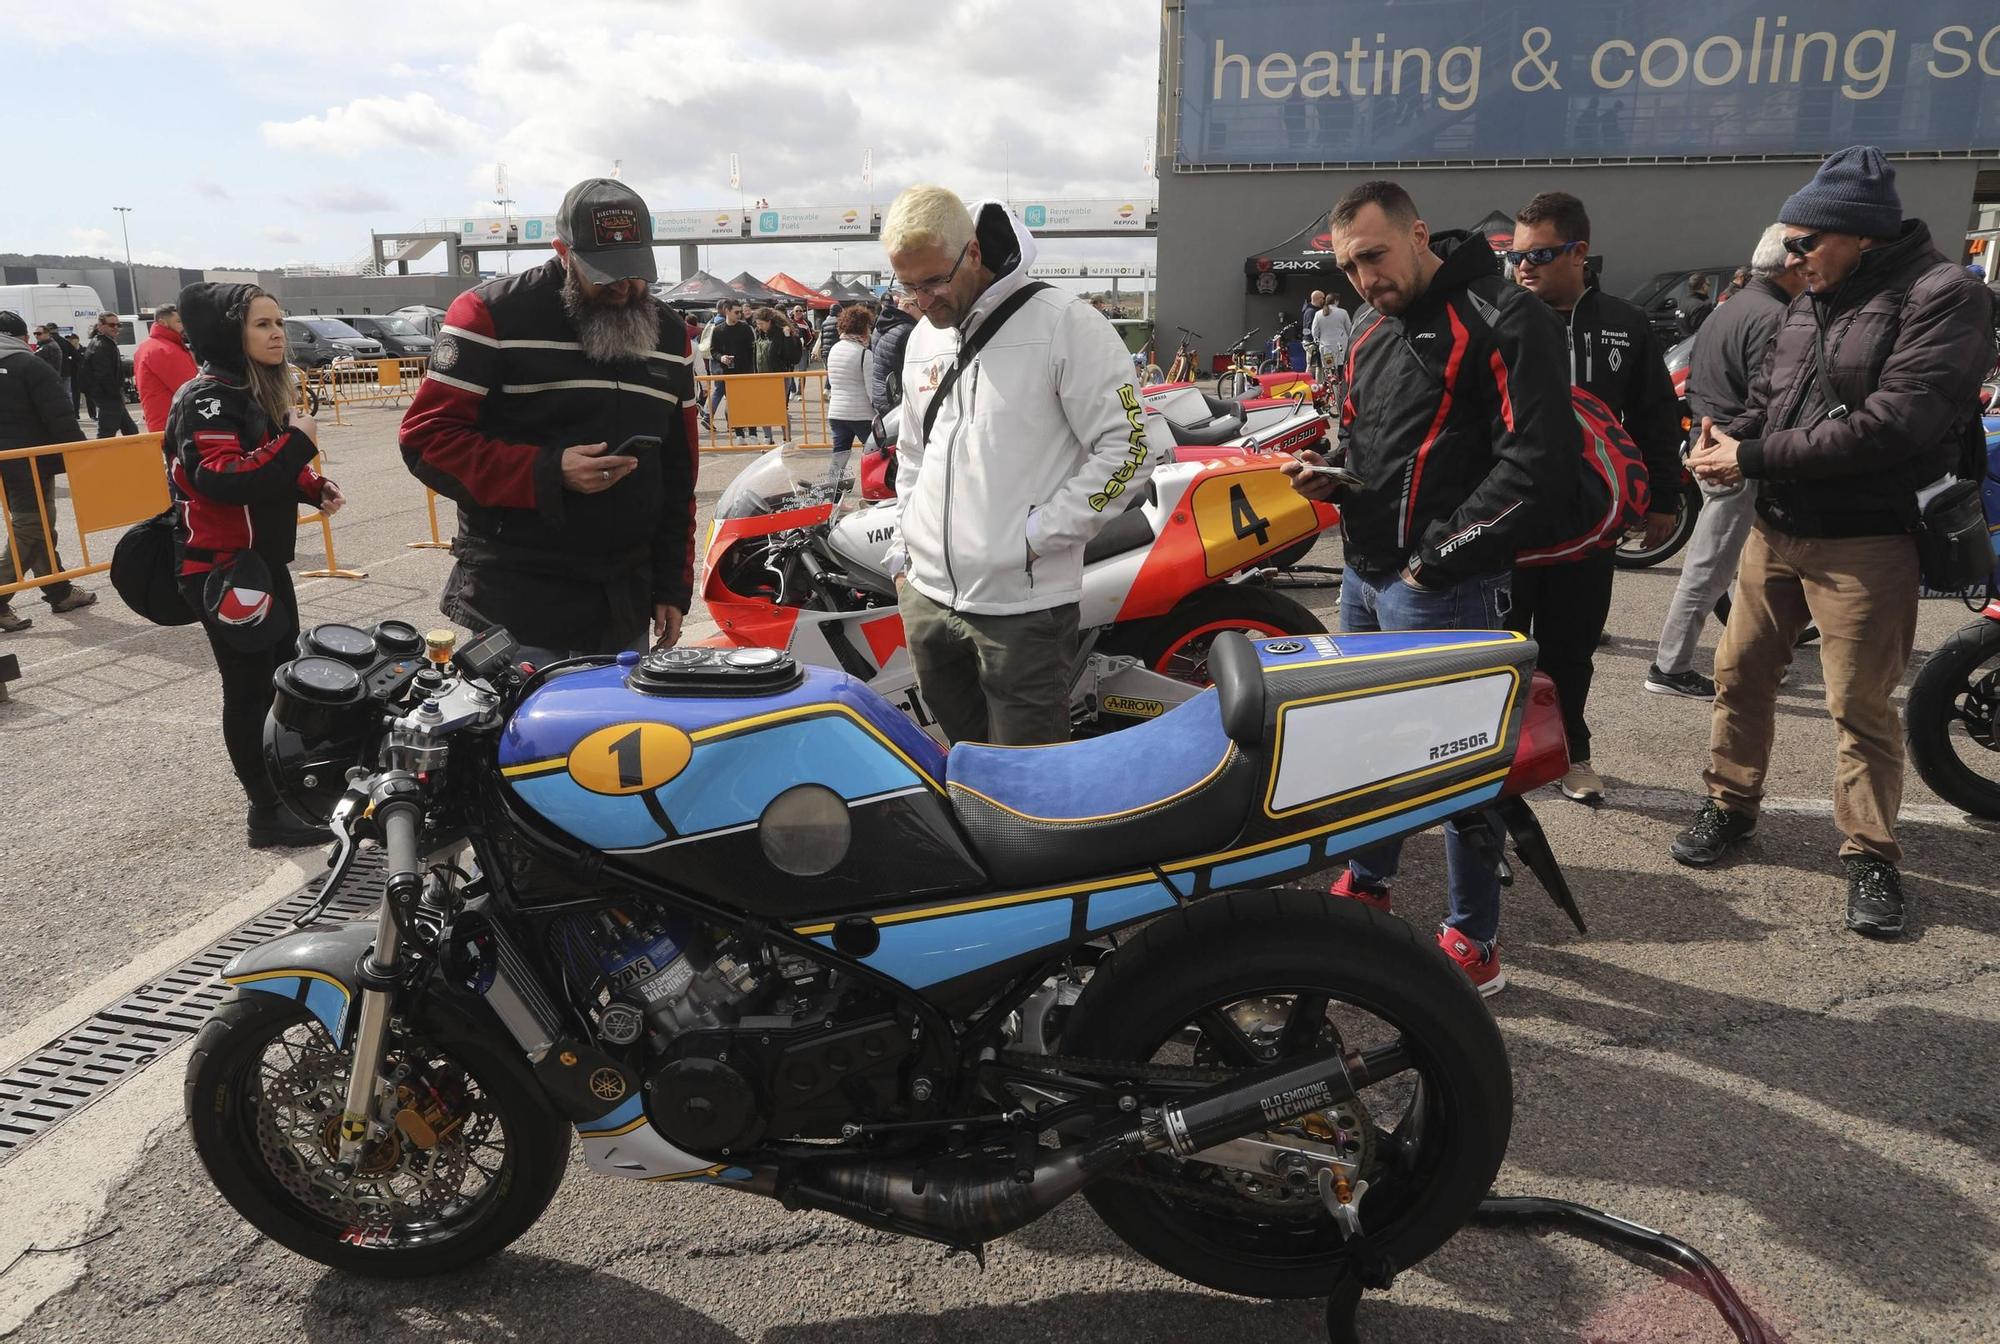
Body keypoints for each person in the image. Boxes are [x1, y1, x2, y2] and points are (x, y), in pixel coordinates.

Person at [1674, 146, 1996, 938]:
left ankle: (1870, 855)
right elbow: (1770, 404)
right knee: (1739, 674)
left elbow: (1895, 425)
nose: (1792, 257)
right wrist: (1723, 445)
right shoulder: (1809, 299)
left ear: (1860, 236)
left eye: (1804, 241)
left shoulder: (1943, 294)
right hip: (1778, 528)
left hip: (1869, 540)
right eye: (1790, 243)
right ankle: (1729, 805)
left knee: (1859, 706)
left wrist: (1750, 455)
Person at [1280, 179, 1578, 995]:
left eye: (1374, 255)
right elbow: (1388, 459)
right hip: (1366, 577)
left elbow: (1537, 464)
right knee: (1371, 747)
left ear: (1418, 234)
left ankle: (1473, 940)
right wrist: (1333, 479)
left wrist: (1434, 560)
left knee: (1459, 770)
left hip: (1444, 586)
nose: (1365, 278)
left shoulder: (1506, 317)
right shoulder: (1374, 328)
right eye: (1348, 268)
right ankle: (1371, 881)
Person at [884, 185, 1149, 746]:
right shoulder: (922, 339)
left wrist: (1037, 537)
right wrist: (908, 543)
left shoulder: (1064, 322)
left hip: (1023, 606)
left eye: (932, 281)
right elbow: (913, 451)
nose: (922, 300)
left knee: (1030, 776)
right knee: (965, 758)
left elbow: (1130, 448)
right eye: (906, 286)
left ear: (972, 253)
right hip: (926, 594)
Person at [400, 177, 699, 667]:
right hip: (519, 601)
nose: (625, 288)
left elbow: (678, 470)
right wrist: (548, 470)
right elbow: (427, 441)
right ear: (562, 251)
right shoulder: (490, 315)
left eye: (636, 271)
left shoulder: (669, 334)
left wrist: (672, 585)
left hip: (623, 602)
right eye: (605, 274)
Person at [1506, 191, 1683, 804]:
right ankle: (1492, 761)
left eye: (1539, 254)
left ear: (1578, 252)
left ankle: (1570, 752)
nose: (1523, 268)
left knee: (1570, 650)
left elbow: (1658, 417)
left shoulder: (1626, 324)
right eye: (1515, 256)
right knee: (1500, 647)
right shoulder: (1497, 319)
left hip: (1589, 524)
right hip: (1509, 521)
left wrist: (1665, 498)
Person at [165, 283, 342, 847]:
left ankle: (291, 784)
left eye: (279, 322)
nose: (277, 334)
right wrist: (298, 445)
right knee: (248, 691)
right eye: (261, 324)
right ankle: (266, 812)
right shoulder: (207, 396)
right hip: (221, 569)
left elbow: (266, 461)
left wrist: (313, 487)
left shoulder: (250, 388)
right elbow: (222, 477)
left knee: (284, 674)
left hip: (259, 563)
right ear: (228, 332)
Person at [1647, 225, 1806, 699]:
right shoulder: (1777, 316)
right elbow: (1773, 400)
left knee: (1745, 566)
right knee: (1709, 569)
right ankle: (1668, 667)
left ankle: (1752, 654)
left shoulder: (1727, 308)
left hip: (1711, 441)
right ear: (1791, 263)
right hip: (1736, 455)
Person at [0, 310, 98, 632]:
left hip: (8, 463)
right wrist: (81, 457)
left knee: (39, 526)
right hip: (30, 461)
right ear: (21, 336)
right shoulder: (28, 364)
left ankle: (60, 590)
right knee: (32, 527)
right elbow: (60, 416)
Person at [133, 302, 198, 433]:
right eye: (179, 322)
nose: (183, 326)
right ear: (163, 323)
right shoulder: (165, 350)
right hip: (176, 423)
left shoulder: (148, 347)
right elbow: (190, 389)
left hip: (163, 421)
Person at [825, 303, 875, 470]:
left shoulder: (834, 349)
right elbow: (872, 390)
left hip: (837, 412)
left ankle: (832, 493)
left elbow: (833, 381)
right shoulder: (864, 353)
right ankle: (872, 492)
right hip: (861, 414)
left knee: (839, 457)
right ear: (863, 327)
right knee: (873, 454)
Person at [706, 300, 755, 441]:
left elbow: (753, 349)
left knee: (748, 403)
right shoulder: (718, 330)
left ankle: (753, 432)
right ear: (727, 311)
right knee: (734, 404)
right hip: (728, 373)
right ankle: (739, 433)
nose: (739, 314)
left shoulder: (745, 328)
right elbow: (713, 350)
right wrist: (721, 358)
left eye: (740, 312)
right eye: (736, 312)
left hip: (746, 372)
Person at [83, 312, 137, 437]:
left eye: (119, 325)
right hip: (107, 395)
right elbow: (103, 374)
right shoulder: (102, 345)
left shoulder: (105, 342)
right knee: (107, 432)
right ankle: (102, 456)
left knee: (130, 430)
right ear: (100, 326)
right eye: (112, 325)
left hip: (109, 394)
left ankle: (137, 453)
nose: (116, 328)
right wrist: (115, 394)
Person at [869, 291, 921, 418]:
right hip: (896, 398)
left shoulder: (879, 326)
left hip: (880, 393)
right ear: (909, 306)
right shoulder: (908, 330)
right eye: (922, 308)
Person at [1309, 291, 1350, 383]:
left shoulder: (1318, 314)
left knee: (1328, 370)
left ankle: (1330, 390)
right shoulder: (1343, 312)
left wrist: (1318, 339)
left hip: (1326, 347)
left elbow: (1314, 331)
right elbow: (1349, 329)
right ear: (1336, 301)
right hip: (1341, 347)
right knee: (1341, 369)